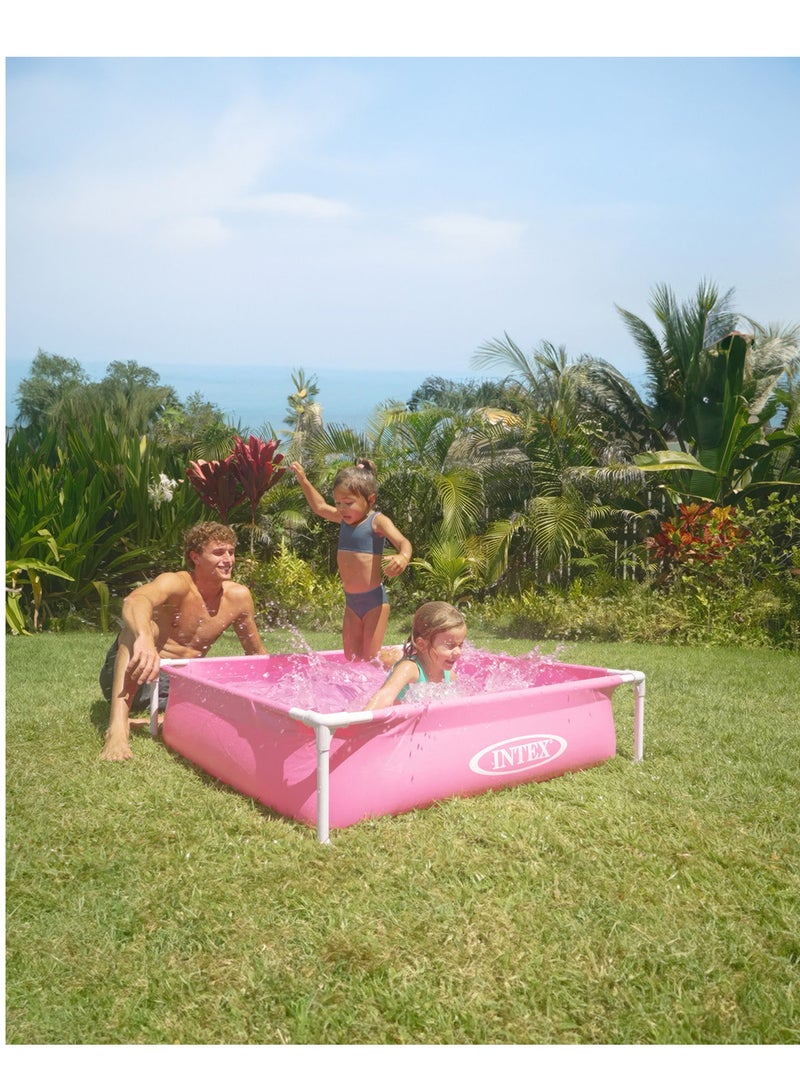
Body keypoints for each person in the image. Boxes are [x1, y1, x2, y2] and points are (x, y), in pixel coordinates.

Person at [99, 522, 267, 761]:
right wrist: (145, 639)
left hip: (175, 686)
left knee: (223, 688)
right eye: (218, 552)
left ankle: (157, 718)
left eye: (231, 552)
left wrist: (280, 687)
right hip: (135, 669)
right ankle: (117, 729)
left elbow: (256, 655)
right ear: (195, 557)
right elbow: (134, 601)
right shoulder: (176, 583)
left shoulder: (238, 598)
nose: (228, 559)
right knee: (138, 630)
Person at [290, 458, 412, 661]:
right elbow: (320, 506)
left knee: (372, 659)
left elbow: (403, 541)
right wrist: (303, 480)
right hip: (352, 603)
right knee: (352, 660)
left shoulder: (377, 521)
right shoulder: (343, 519)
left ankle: (404, 663)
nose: (342, 508)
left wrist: (403, 556)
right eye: (338, 503)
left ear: (370, 500)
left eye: (348, 503)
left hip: (374, 603)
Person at [363, 601, 467, 710]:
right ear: (422, 644)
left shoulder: (449, 675)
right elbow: (385, 696)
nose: (458, 652)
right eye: (450, 646)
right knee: (385, 662)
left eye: (460, 645)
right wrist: (361, 720)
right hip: (397, 723)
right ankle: (386, 657)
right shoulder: (409, 669)